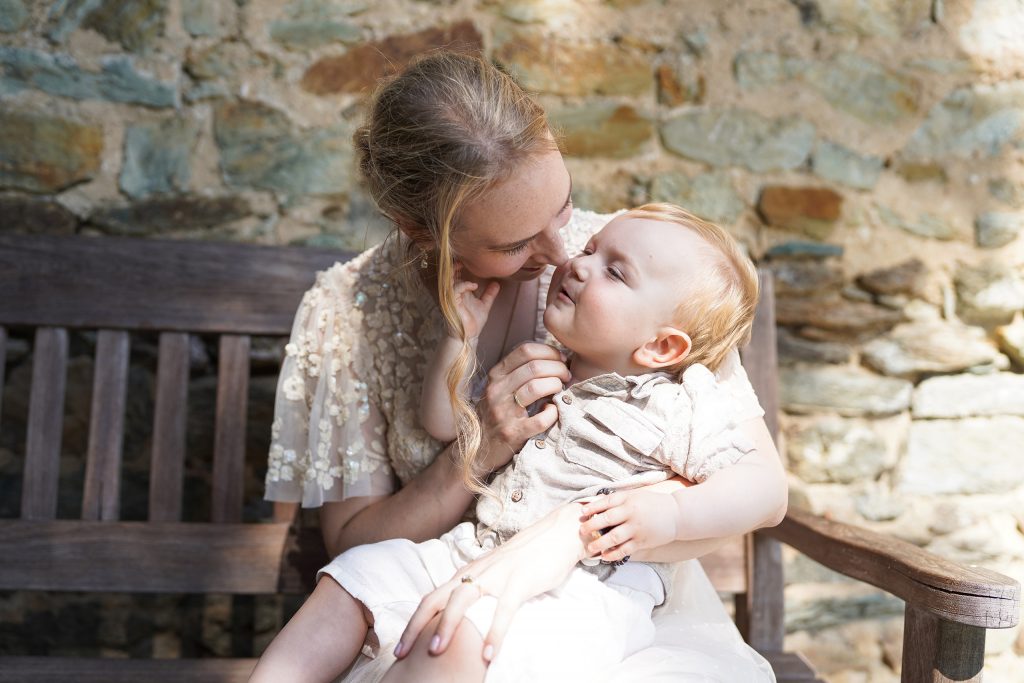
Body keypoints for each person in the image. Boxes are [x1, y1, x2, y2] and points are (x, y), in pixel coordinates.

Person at [254, 51, 787, 683]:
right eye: (514, 244)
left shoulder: (650, 274)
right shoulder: (349, 312)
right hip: (443, 574)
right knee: (383, 603)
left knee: (465, 643)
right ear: (420, 230)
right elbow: (356, 541)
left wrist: (575, 531)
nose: (566, 254)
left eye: (564, 207)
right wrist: (483, 441)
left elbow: (754, 486)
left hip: (599, 602)